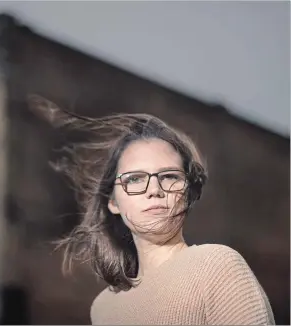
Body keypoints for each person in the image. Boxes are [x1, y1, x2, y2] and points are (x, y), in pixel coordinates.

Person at [28, 95, 275, 325]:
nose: (154, 189)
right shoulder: (102, 308)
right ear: (113, 201)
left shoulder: (217, 266)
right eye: (135, 179)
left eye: (168, 176)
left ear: (187, 192)